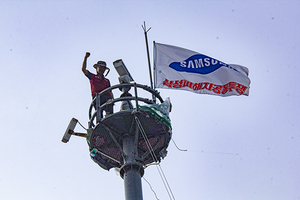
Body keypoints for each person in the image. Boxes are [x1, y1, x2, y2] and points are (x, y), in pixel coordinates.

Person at [82, 52, 114, 117]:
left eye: (103, 68)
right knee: (99, 115)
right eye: (100, 67)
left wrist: (113, 99)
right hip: (97, 97)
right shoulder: (93, 77)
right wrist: (85, 58)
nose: (102, 69)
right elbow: (84, 69)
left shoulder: (107, 80)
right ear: (97, 68)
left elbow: (110, 91)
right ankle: (100, 121)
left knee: (110, 108)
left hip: (107, 97)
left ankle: (109, 118)